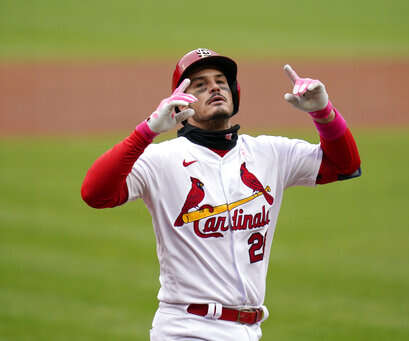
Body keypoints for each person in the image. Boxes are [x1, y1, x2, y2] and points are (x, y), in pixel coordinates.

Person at [81, 48, 361, 341]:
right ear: (180, 104)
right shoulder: (160, 160)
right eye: (200, 85)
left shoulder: (269, 153)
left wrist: (323, 112)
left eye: (221, 82)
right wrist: (147, 131)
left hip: (249, 330)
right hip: (187, 328)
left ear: (234, 93)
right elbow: (95, 193)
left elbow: (344, 165)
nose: (214, 87)